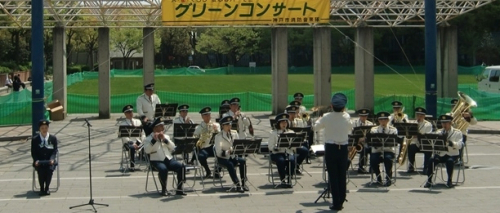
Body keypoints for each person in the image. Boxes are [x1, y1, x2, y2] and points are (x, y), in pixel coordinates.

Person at [314, 93, 352, 211]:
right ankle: (341, 198)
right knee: (342, 175)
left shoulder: (326, 116)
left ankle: (336, 203)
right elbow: (350, 129)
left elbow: (315, 128)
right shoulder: (346, 116)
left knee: (333, 176)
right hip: (343, 148)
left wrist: (320, 118)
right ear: (343, 107)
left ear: (331, 105)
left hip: (331, 148)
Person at [143, 118, 187, 196]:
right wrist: (154, 140)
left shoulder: (166, 136)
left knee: (181, 167)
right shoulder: (148, 138)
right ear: (155, 128)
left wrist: (165, 139)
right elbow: (147, 151)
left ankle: (179, 188)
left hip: (168, 159)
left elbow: (173, 147)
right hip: (156, 160)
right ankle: (164, 189)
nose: (163, 127)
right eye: (161, 126)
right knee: (163, 169)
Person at [424, 115, 463, 188]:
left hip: (452, 154)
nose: (444, 125)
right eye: (442, 123)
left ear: (450, 123)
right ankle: (429, 180)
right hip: (441, 154)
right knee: (431, 160)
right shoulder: (439, 132)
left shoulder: (457, 132)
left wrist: (450, 143)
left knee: (449, 161)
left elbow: (460, 145)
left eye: (446, 123)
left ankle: (449, 180)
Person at [214, 116, 248, 192]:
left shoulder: (234, 133)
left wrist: (239, 149)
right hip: (223, 158)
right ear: (222, 126)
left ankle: (243, 183)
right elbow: (218, 152)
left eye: (230, 124)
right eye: (227, 125)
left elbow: (238, 145)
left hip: (232, 156)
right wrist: (227, 151)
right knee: (230, 164)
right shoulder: (218, 136)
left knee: (243, 161)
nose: (229, 126)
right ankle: (237, 184)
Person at [369, 111, 398, 187]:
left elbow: (394, 143)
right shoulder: (374, 130)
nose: (383, 121)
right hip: (377, 150)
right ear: (378, 121)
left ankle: (388, 178)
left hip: (388, 150)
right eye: (381, 120)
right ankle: (378, 178)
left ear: (388, 120)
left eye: (385, 119)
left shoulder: (393, 129)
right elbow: (372, 142)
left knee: (388, 159)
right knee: (373, 160)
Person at [31, 119, 58, 196]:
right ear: (39, 129)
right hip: (39, 161)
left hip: (50, 161)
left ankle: (47, 187)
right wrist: (36, 160)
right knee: (41, 171)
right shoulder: (35, 139)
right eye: (42, 128)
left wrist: (52, 159)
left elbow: (54, 150)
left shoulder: (53, 138)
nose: (44, 130)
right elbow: (33, 152)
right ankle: (42, 188)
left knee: (49, 170)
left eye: (46, 128)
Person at [268, 113, 296, 188]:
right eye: (282, 122)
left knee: (292, 160)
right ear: (278, 123)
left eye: (285, 122)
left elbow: (295, 146)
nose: (284, 124)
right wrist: (275, 148)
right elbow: (270, 146)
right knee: (281, 161)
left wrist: (292, 146)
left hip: (288, 152)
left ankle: (289, 179)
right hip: (277, 153)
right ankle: (283, 179)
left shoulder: (291, 132)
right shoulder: (273, 133)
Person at [193, 107, 220, 178]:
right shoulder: (198, 127)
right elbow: (195, 138)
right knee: (201, 157)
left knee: (222, 154)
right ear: (202, 117)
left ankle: (217, 171)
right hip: (204, 147)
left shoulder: (216, 125)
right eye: (206, 115)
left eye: (209, 115)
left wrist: (216, 130)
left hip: (214, 146)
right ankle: (208, 171)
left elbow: (220, 137)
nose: (208, 117)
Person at [450, 98, 477, 165]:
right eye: (454, 106)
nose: (456, 108)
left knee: (461, 140)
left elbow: (474, 123)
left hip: (462, 133)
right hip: (450, 133)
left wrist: (470, 116)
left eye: (457, 106)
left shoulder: (465, 115)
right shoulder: (449, 114)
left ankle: (459, 158)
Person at [407, 107, 433, 173]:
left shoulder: (428, 124)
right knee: (411, 147)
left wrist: (418, 134)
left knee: (428, 149)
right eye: (418, 115)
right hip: (415, 143)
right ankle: (411, 165)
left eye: (421, 115)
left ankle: (426, 167)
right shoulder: (412, 123)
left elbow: (427, 135)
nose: (419, 116)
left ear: (424, 116)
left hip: (424, 143)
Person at [284, 105, 309, 174]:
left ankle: (296, 165)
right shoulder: (284, 122)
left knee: (305, 150)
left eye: (293, 113)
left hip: (296, 144)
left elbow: (304, 130)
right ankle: (290, 167)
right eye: (290, 113)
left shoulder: (299, 121)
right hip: (286, 145)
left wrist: (303, 120)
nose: (292, 115)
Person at [119, 105, 144, 172]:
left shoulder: (138, 121)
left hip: (138, 141)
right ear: (125, 114)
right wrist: (132, 143)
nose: (130, 114)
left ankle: (150, 164)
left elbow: (143, 133)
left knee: (149, 144)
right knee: (132, 147)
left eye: (131, 112)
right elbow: (124, 137)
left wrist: (143, 141)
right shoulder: (123, 124)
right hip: (128, 143)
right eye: (128, 112)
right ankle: (132, 166)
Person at [352, 108, 374, 174]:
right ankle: (361, 167)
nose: (363, 117)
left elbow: (372, 135)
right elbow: (351, 134)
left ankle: (372, 167)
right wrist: (358, 139)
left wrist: (366, 139)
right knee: (364, 149)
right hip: (357, 143)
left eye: (365, 116)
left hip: (367, 142)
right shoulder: (354, 123)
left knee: (372, 149)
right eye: (362, 116)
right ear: (359, 115)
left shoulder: (370, 124)